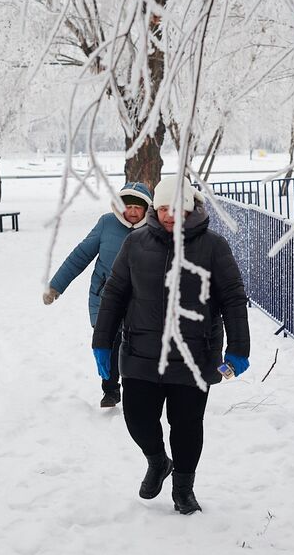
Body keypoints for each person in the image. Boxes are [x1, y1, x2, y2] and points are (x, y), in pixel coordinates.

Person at [91, 176, 250, 515]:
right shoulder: (135, 244)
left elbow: (233, 299)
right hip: (140, 354)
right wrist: (102, 341)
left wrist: (239, 348)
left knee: (187, 426)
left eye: (175, 208)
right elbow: (115, 293)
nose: (168, 215)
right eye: (162, 208)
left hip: (195, 356)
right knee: (137, 419)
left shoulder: (214, 247)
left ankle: (183, 488)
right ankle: (158, 461)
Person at [43, 182, 153, 408]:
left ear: (146, 209)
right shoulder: (107, 224)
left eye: (137, 207)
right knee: (109, 344)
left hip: (140, 301)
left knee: (137, 347)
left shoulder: (153, 229)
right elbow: (80, 256)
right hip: (105, 298)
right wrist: (56, 286)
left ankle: (136, 389)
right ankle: (111, 390)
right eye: (128, 206)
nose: (132, 212)